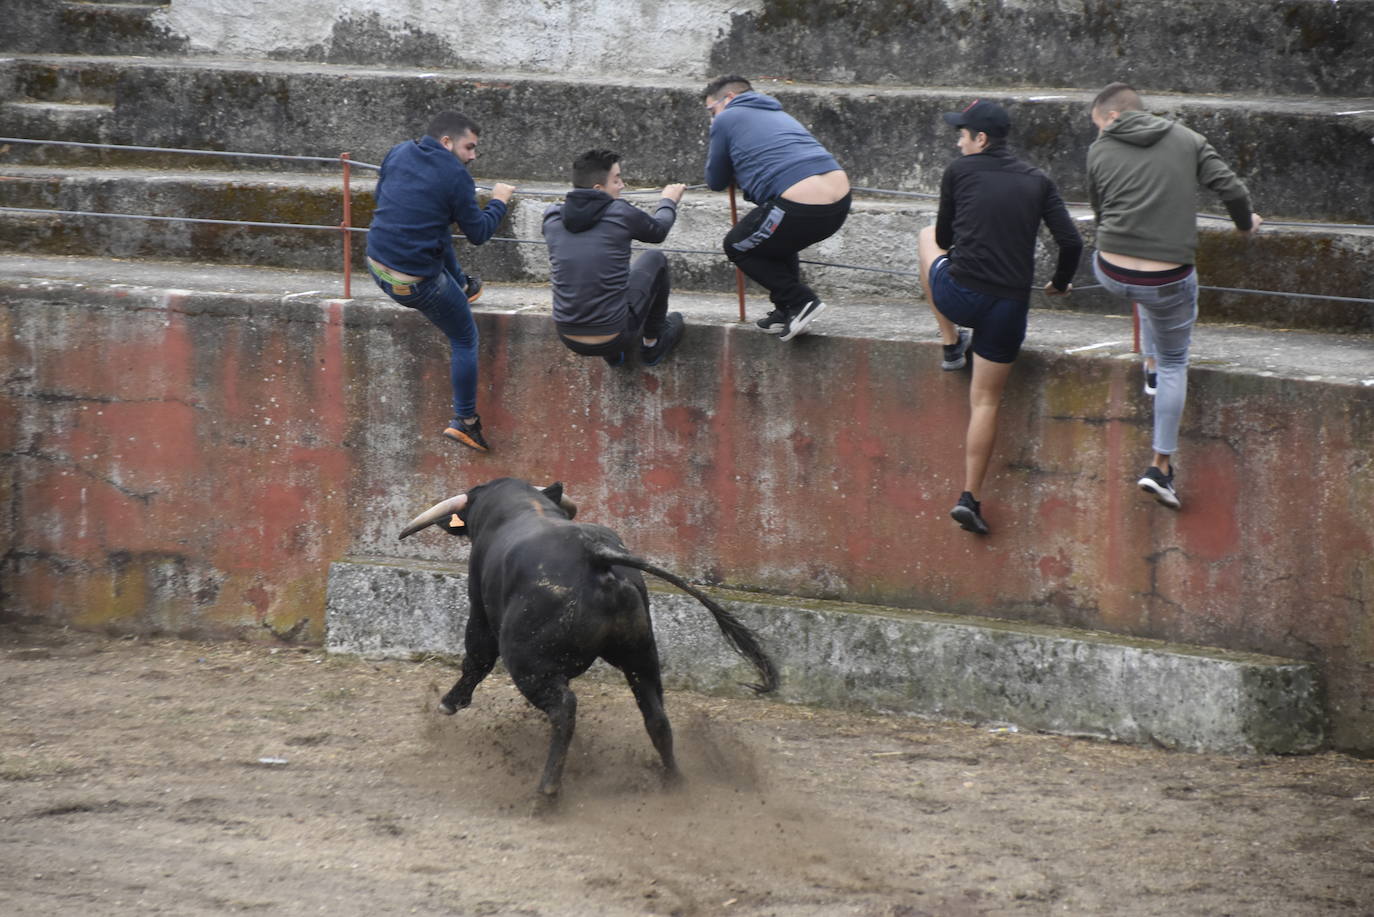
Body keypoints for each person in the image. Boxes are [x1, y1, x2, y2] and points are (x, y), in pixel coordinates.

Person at [1086, 83, 1261, 509]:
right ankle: (1160, 467)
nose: (1097, 135)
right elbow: (1234, 192)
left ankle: (1149, 362)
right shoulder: (1189, 140)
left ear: (1112, 117)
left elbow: (1101, 211)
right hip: (1165, 281)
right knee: (1175, 359)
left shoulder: (1099, 150)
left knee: (1147, 290)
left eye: (1098, 126)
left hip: (1109, 270)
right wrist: (1244, 224)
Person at [917, 100, 1083, 535]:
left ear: (981, 139)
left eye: (963, 133)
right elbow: (1071, 242)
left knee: (923, 241)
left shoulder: (959, 171)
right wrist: (1061, 283)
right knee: (985, 401)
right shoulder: (1038, 181)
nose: (958, 140)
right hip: (1008, 307)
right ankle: (969, 497)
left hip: (960, 295)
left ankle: (950, 343)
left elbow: (941, 238)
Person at [366, 111, 515, 453]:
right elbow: (478, 233)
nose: (473, 156)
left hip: (375, 262)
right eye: (469, 147)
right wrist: (499, 201)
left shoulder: (399, 151)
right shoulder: (456, 176)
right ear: (447, 142)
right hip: (415, 281)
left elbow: (383, 200)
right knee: (465, 336)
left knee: (439, 226)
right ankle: (465, 422)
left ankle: (461, 284)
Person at [703, 76, 851, 342]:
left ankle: (800, 301)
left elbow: (715, 180)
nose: (711, 117)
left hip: (800, 203)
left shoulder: (727, 118)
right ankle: (786, 310)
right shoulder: (776, 112)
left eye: (711, 110)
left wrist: (717, 127)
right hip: (839, 202)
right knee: (776, 241)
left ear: (730, 99)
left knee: (737, 245)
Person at [542, 149, 687, 367]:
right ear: (599, 189)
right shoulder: (620, 212)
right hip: (615, 334)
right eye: (617, 180)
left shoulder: (552, 216)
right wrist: (668, 201)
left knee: (599, 271)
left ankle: (614, 356)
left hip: (568, 335)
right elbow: (659, 232)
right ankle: (652, 344)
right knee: (655, 260)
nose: (622, 185)